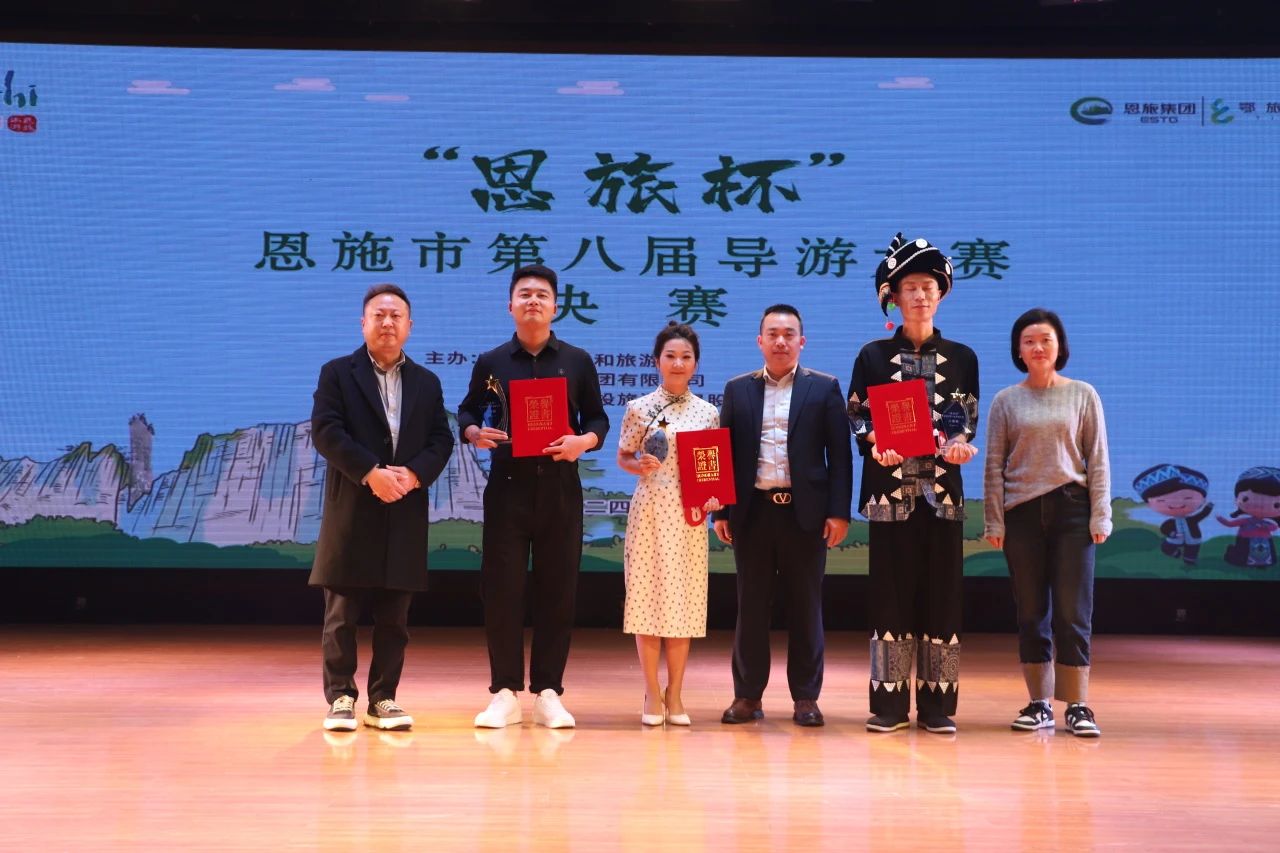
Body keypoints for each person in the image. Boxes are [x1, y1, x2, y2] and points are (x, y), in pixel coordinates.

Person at [457, 264, 609, 729]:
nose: (533, 301)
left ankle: (548, 691)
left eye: (542, 294)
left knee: (557, 591)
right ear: (510, 306)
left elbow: (598, 419)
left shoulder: (577, 361)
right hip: (507, 487)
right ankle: (504, 692)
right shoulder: (491, 362)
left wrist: (583, 442)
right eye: (524, 294)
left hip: (561, 488)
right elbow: (467, 411)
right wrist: (473, 432)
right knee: (502, 590)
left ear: (556, 306)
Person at [848, 233, 979, 735]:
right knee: (890, 596)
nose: (920, 295)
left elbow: (964, 420)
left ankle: (938, 704)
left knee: (943, 596)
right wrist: (876, 441)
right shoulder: (873, 355)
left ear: (941, 293)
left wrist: (959, 445)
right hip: (890, 492)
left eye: (928, 286)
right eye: (910, 287)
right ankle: (888, 705)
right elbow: (857, 415)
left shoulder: (963, 357)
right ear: (894, 297)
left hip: (942, 494)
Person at [309, 283, 455, 732]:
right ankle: (341, 697)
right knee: (341, 614)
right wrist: (371, 472)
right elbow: (326, 431)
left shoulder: (427, 382)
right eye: (379, 315)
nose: (387, 323)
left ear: (410, 326)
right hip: (353, 503)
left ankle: (383, 698)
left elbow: (441, 439)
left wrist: (412, 475)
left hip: (404, 506)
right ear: (363, 323)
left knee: (395, 617)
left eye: (396, 316)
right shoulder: (338, 373)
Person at [714, 304, 852, 728]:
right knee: (751, 607)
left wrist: (839, 512)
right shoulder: (737, 389)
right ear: (759, 341)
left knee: (806, 607)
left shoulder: (824, 388)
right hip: (752, 513)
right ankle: (747, 696)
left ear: (801, 342)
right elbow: (723, 452)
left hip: (804, 515)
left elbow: (840, 456)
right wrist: (722, 509)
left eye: (788, 334)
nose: (780, 341)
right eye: (772, 334)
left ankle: (806, 698)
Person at [983, 307, 1111, 738]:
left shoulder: (1083, 394)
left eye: (1045, 340)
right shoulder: (1006, 400)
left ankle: (1077, 705)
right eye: (1029, 341)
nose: (1038, 347)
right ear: (1018, 351)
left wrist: (1101, 513)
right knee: (1031, 609)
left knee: (1074, 610)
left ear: (1060, 347)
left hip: (1073, 510)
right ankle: (1039, 703)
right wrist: (994, 520)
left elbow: (1097, 458)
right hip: (1022, 514)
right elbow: (994, 465)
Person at [616, 322, 722, 726]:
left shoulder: (708, 413)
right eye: (670, 356)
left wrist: (713, 495)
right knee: (647, 601)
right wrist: (637, 465)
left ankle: (675, 693)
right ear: (657, 361)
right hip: (649, 512)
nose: (678, 363)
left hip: (689, 516)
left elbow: (711, 470)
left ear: (695, 364)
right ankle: (650, 692)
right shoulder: (638, 407)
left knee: (683, 604)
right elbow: (623, 456)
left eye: (686, 357)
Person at [1133, 464, 1212, 566]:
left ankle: (1189, 560)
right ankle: (1176, 554)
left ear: (1202, 501)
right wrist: (1172, 534)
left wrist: (1209, 508)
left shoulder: (1192, 520)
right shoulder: (1170, 523)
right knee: (1166, 547)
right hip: (1175, 539)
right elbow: (1164, 528)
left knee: (1191, 551)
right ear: (1149, 505)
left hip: (1192, 539)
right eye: (1161, 501)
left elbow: (1202, 514)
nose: (1176, 505)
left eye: (1188, 498)